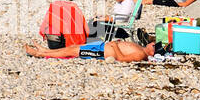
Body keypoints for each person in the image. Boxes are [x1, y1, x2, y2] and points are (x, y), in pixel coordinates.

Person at [24, 40, 157, 62]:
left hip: (101, 53)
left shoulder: (140, 54)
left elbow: (122, 59)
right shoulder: (140, 48)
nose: (152, 43)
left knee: (74, 52)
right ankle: (46, 51)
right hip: (101, 47)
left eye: (154, 46)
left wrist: (115, 45)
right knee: (73, 48)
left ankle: (39, 54)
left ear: (152, 53)